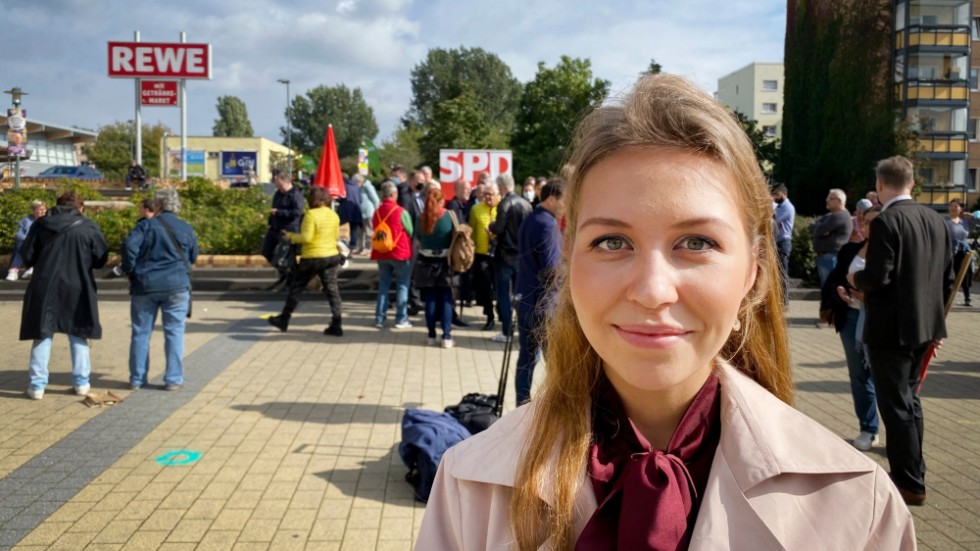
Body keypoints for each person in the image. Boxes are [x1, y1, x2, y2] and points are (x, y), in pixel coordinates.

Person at [417, 74, 914, 549]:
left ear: (753, 274)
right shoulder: (468, 486)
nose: (653, 291)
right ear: (569, 259)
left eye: (696, 242)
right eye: (612, 241)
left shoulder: (857, 507)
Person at [850, 155, 953, 507]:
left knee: (895, 407)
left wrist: (854, 278)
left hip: (891, 328)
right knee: (910, 403)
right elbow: (948, 279)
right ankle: (915, 472)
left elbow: (879, 276)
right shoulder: (936, 220)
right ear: (912, 182)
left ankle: (908, 482)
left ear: (880, 185)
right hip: (925, 326)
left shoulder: (888, 221)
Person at [19, 191, 108, 400]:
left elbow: (27, 256)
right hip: (78, 285)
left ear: (56, 206)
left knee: (42, 332)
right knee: (78, 332)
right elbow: (100, 258)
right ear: (81, 208)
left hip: (45, 285)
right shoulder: (88, 226)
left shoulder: (41, 225)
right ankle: (81, 383)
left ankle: (37, 386)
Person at [122, 190, 198, 391]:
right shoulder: (185, 228)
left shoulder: (145, 226)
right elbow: (193, 256)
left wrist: (131, 270)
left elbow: (129, 246)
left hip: (145, 285)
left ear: (157, 206)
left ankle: (137, 379)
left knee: (140, 332)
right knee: (174, 332)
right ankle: (173, 379)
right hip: (177, 286)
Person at [821, 207, 882, 451]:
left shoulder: (893, 253)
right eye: (866, 222)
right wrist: (840, 291)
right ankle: (869, 428)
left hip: (881, 322)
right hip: (851, 320)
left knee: (886, 379)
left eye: (876, 223)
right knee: (859, 377)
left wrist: (872, 299)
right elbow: (835, 278)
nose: (870, 227)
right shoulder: (850, 250)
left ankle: (900, 435)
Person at [268, 186, 345, 336]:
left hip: (313, 257)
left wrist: (289, 236)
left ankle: (284, 319)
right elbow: (335, 237)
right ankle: (337, 324)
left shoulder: (311, 215)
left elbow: (306, 238)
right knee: (332, 291)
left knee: (296, 288)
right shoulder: (334, 215)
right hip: (331, 257)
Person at [514, 178, 565, 405]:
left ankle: (521, 406)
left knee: (526, 359)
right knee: (555, 364)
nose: (567, 206)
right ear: (552, 199)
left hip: (526, 299)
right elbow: (551, 270)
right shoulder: (547, 224)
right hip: (542, 305)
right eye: (565, 201)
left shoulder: (531, 218)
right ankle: (555, 411)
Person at [488, 173, 532, 343]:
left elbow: (498, 228)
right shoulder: (526, 204)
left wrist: (490, 226)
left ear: (502, 187)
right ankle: (524, 331)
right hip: (522, 256)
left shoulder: (505, 203)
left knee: (504, 295)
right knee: (521, 294)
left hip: (505, 255)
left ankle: (506, 332)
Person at [413, 185, 456, 348]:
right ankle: (446, 336)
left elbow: (417, 236)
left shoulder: (420, 218)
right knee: (446, 298)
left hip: (425, 261)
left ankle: (431, 335)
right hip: (445, 261)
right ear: (441, 201)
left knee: (430, 298)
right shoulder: (449, 216)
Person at [372, 181, 414, 330]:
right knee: (402, 286)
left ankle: (379, 319)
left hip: (381, 252)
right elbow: (410, 230)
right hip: (399, 252)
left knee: (383, 285)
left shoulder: (376, 212)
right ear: (394, 194)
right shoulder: (401, 211)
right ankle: (401, 319)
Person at [261, 171, 305, 290]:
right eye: (277, 185)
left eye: (280, 185)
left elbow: (297, 212)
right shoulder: (278, 193)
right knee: (266, 251)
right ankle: (284, 274)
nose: (278, 188)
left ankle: (289, 280)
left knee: (285, 256)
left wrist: (279, 212)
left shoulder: (296, 194)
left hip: (288, 228)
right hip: (275, 227)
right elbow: (273, 208)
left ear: (287, 182)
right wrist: (270, 221)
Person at [469, 182, 499, 331]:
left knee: (499, 286)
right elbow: (471, 230)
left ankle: (501, 311)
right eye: (485, 194)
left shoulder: (502, 208)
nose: (488, 197)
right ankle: (489, 316)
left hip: (499, 254)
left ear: (497, 195)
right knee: (485, 287)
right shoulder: (476, 209)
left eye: (491, 194)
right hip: (481, 254)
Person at [809, 188, 852, 286]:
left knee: (831, 288)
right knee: (827, 288)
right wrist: (818, 228)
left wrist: (819, 228)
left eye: (831, 198)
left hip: (832, 257)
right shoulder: (829, 216)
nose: (827, 200)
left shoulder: (840, 216)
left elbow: (819, 230)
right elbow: (812, 226)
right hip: (826, 257)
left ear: (839, 201)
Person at [945, 198, 977, 306]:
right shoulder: (944, 221)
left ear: (960, 209)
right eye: (951, 206)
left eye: (956, 206)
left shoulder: (965, 222)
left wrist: (970, 215)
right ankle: (947, 296)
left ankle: (967, 297)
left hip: (964, 251)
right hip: (949, 251)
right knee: (950, 274)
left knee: (966, 275)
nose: (953, 208)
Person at [6, 200, 46, 281]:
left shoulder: (48, 220)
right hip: (27, 243)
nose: (42, 211)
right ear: (33, 210)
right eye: (40, 209)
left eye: (44, 209)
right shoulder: (25, 221)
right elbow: (19, 234)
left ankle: (32, 268)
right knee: (21, 245)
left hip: (42, 243)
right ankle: (14, 270)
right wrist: (28, 240)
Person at [770, 183, 794, 302]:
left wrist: (771, 207)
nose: (774, 197)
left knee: (782, 273)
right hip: (779, 242)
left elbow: (774, 218)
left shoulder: (787, 207)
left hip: (783, 243)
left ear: (784, 194)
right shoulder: (780, 206)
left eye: (776, 194)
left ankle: (784, 301)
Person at [356, 174, 380, 254]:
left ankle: (369, 248)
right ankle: (361, 247)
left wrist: (377, 210)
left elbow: (375, 199)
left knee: (369, 231)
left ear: (359, 181)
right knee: (361, 231)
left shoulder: (368, 187)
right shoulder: (361, 188)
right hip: (362, 213)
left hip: (368, 212)